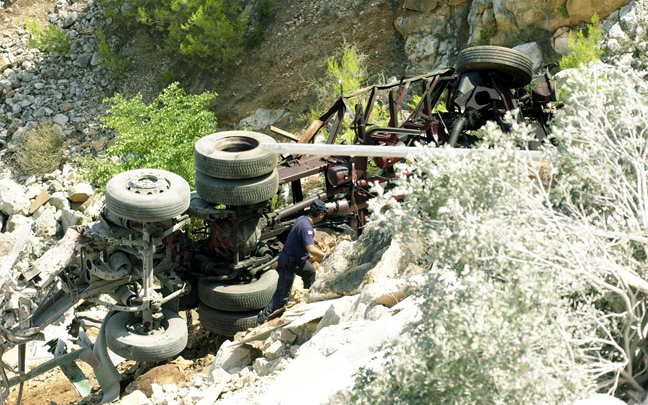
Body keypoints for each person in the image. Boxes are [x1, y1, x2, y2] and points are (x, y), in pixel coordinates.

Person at [257, 199, 328, 325]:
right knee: (282, 296)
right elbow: (310, 249)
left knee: (310, 272)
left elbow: (304, 236)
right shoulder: (307, 227)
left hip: (298, 261)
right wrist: (327, 256)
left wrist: (316, 241)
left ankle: (309, 300)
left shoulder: (303, 219)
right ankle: (261, 321)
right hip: (289, 262)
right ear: (321, 214)